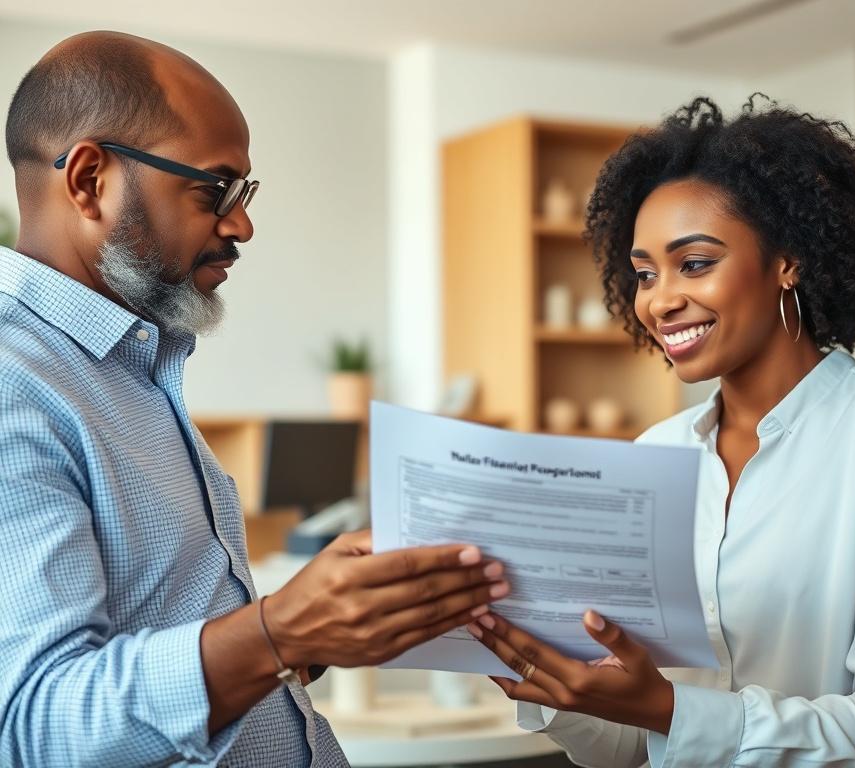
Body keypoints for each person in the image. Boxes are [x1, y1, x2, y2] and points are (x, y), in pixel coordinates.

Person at [0, 32, 508, 767]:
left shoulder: (130, 371)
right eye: (215, 190)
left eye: (244, 194)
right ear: (88, 180)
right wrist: (279, 632)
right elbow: (38, 727)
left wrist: (326, 629)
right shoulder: (16, 382)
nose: (241, 225)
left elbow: (169, 642)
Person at [466, 95, 855, 766]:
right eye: (645, 274)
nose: (659, 300)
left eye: (695, 263)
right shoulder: (657, 454)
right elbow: (633, 749)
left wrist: (667, 708)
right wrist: (551, 685)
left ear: (788, 260)